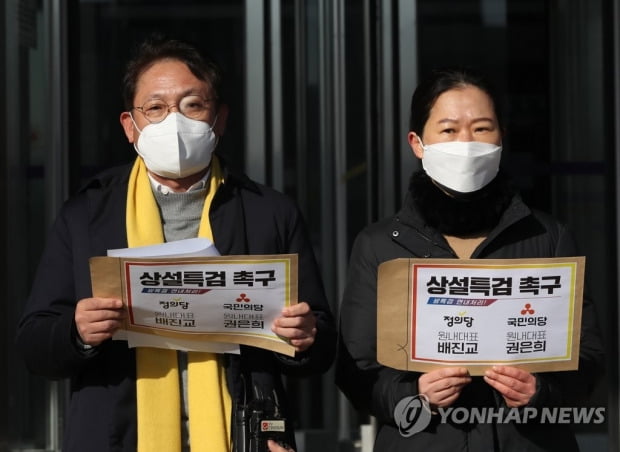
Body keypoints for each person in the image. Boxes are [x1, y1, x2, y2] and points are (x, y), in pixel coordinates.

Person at [17, 35, 335, 452]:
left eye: (192, 105)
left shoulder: (268, 213)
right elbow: (34, 343)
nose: (175, 122)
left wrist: (304, 336)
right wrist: (76, 332)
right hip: (117, 438)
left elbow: (323, 343)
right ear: (130, 126)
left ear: (218, 120)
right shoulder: (86, 217)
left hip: (243, 438)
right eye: (155, 108)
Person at [336, 67, 605, 451]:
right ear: (417, 143)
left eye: (481, 128)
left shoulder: (548, 237)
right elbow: (356, 370)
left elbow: (589, 357)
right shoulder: (380, 245)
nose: (466, 142)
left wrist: (540, 392)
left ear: (501, 140)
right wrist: (414, 395)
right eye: (448, 130)